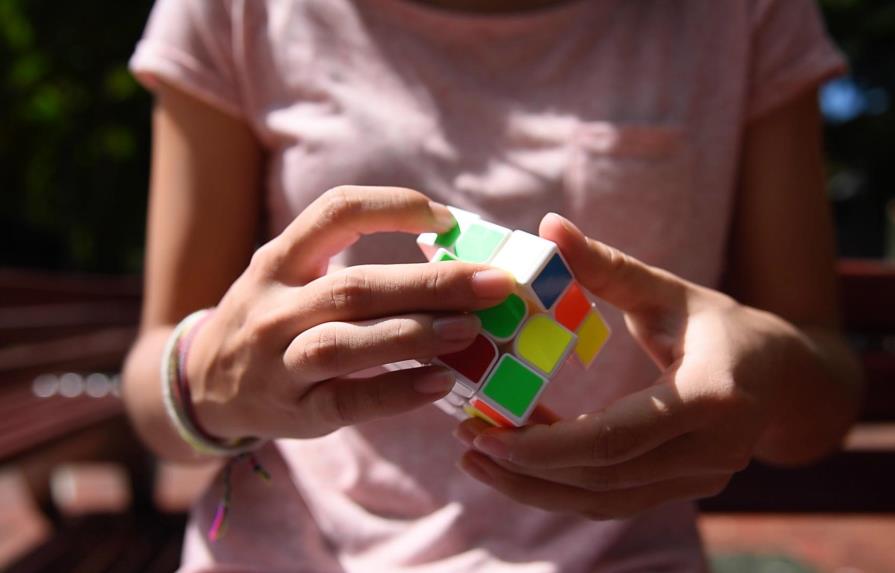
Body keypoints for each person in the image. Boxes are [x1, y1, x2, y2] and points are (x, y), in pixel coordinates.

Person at [123, 0, 863, 570]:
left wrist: (763, 372)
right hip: (288, 550)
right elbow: (152, 382)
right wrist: (205, 376)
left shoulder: (741, 15)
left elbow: (823, 390)